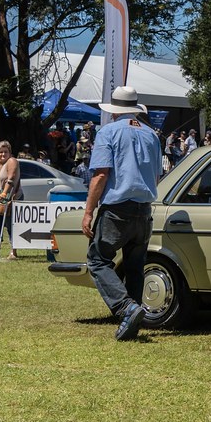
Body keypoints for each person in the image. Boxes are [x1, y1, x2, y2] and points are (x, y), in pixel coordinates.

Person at [81, 86, 162, 341]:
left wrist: (88, 211)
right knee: (135, 267)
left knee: (97, 259)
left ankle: (126, 308)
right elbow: (156, 174)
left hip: (118, 208)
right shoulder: (152, 135)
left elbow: (101, 175)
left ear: (114, 110)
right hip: (144, 209)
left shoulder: (108, 132)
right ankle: (132, 319)